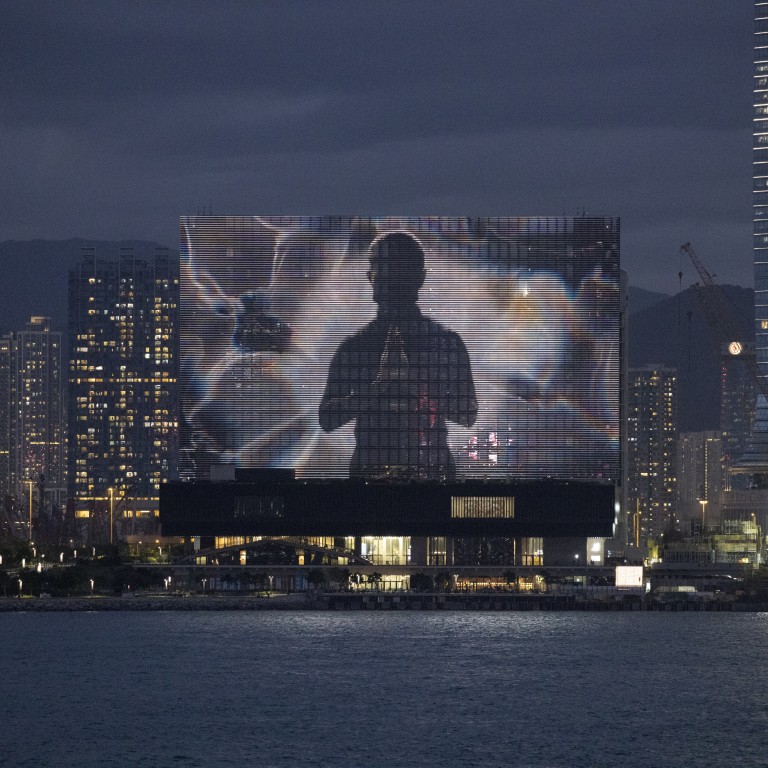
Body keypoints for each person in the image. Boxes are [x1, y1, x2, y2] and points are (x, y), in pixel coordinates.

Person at [319, 231, 477, 480]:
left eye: (397, 267)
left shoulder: (446, 344)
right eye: (381, 267)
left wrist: (414, 388)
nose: (387, 276)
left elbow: (468, 413)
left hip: (425, 477)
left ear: (419, 278)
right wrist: (379, 388)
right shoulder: (354, 347)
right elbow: (327, 418)